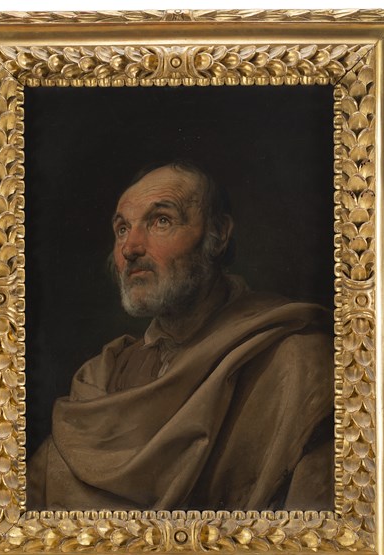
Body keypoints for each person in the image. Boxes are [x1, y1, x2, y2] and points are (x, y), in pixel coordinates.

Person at [27, 160, 334, 511]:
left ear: (218, 234)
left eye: (161, 221)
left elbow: (319, 533)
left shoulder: (296, 361)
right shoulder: (103, 376)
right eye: (122, 229)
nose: (130, 248)